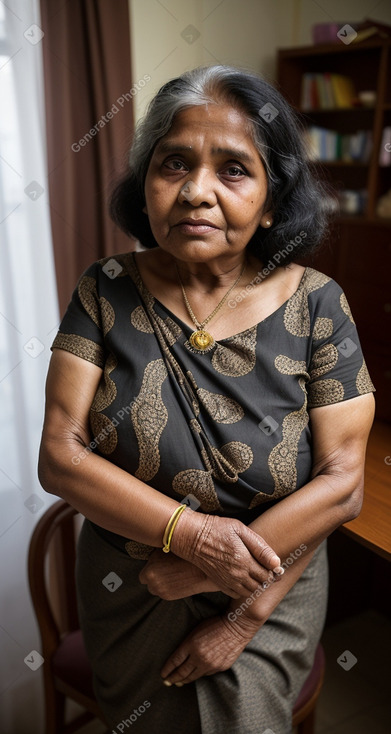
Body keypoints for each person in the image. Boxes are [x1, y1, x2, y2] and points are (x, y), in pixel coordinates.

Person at [38, 65, 375, 734]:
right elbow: (59, 455)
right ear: (145, 187)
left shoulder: (318, 305)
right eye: (174, 165)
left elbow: (342, 485)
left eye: (233, 169)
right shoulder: (103, 290)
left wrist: (241, 606)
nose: (196, 191)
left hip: (270, 591)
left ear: (272, 199)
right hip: (135, 586)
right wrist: (190, 537)